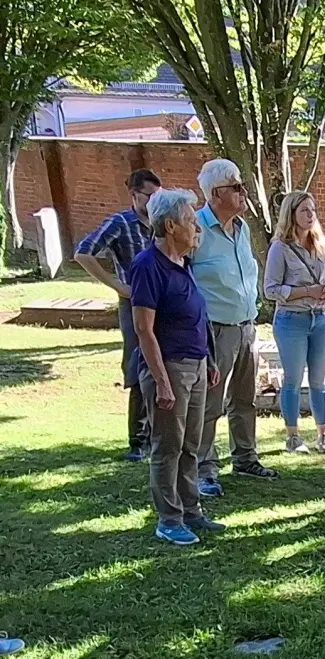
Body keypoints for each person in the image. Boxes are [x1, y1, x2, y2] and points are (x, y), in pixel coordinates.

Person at [128, 188, 225, 546]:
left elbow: (197, 316)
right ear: (170, 226)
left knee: (190, 444)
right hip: (170, 367)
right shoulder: (147, 266)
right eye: (190, 220)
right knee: (168, 446)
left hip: (196, 365)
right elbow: (143, 329)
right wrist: (162, 382)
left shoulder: (184, 263)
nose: (197, 227)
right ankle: (169, 520)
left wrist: (208, 359)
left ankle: (191, 510)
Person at [191, 159, 277, 496]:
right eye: (236, 187)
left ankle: (245, 458)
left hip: (246, 326)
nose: (244, 192)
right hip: (214, 330)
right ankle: (204, 469)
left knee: (245, 400)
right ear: (216, 193)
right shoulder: (196, 228)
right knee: (210, 403)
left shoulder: (241, 228)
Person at [74, 168, 161, 463]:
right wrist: (118, 287)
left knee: (164, 362)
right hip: (134, 304)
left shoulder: (163, 221)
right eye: (149, 196)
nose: (154, 202)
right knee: (138, 364)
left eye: (158, 196)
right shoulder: (121, 223)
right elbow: (84, 252)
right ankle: (138, 441)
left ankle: (160, 434)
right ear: (134, 194)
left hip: (164, 303)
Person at [265, 191, 325, 454]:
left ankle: (324, 436)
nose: (310, 215)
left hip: (322, 318)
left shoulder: (323, 244)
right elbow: (270, 289)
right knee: (293, 379)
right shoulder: (280, 248)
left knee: (320, 380)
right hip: (291, 319)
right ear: (291, 215)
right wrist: (306, 292)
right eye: (304, 211)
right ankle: (293, 437)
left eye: (313, 210)